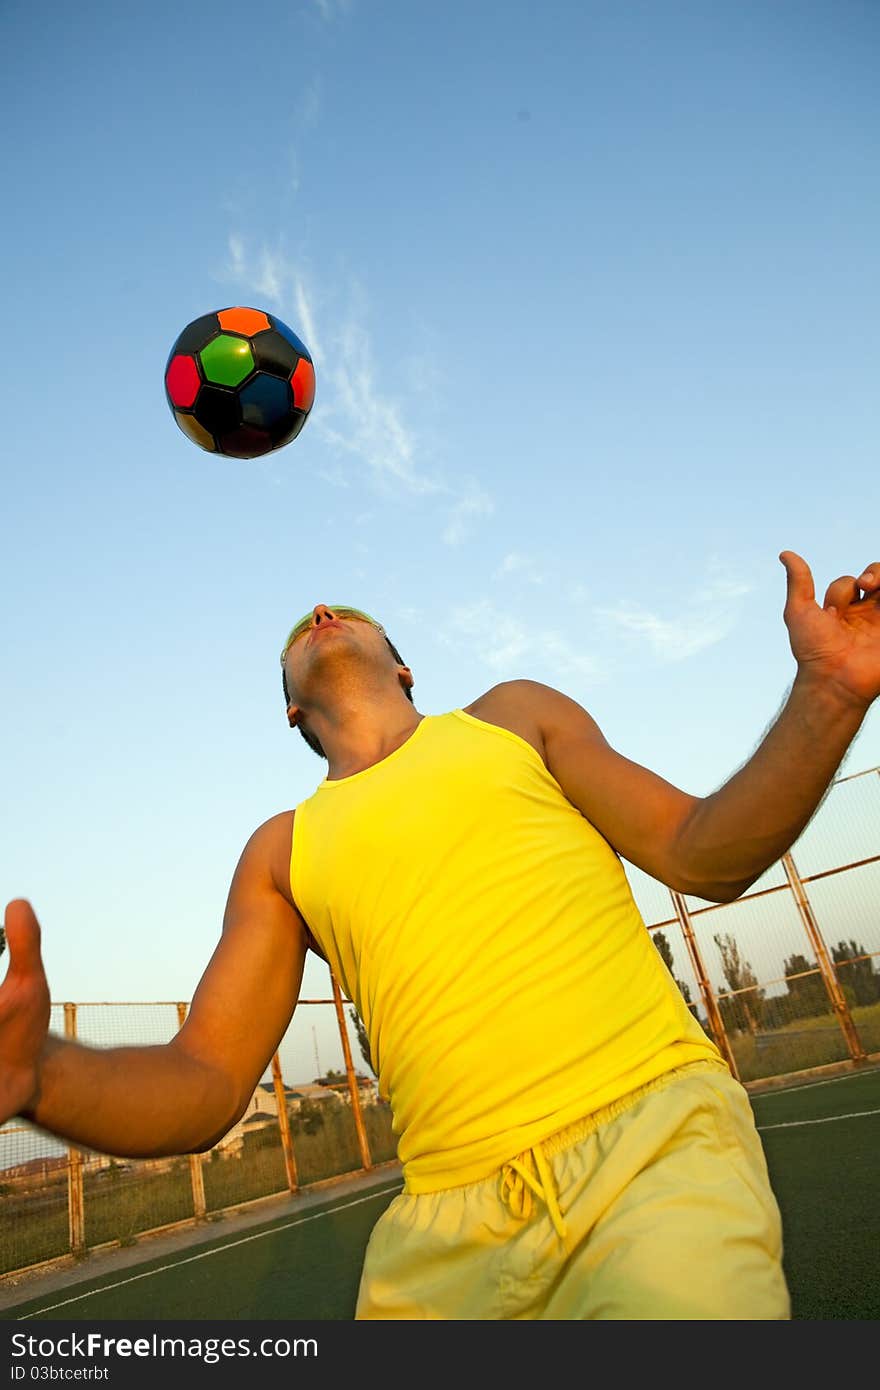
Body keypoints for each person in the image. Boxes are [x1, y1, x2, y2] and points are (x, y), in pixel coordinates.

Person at [2, 551, 878, 1320]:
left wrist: (831, 691)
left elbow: (704, 853)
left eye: (353, 615)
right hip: (441, 1227)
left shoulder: (512, 717)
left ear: (406, 666)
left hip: (652, 1148)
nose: (320, 613)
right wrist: (41, 1072)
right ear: (292, 717)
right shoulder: (281, 853)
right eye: (298, 634)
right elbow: (205, 1081)